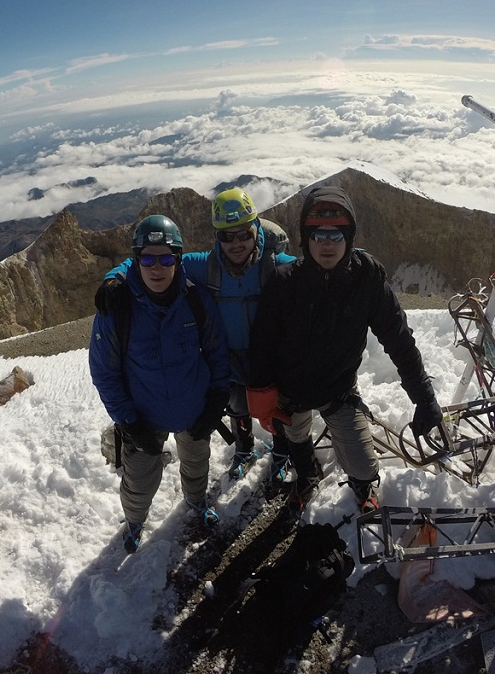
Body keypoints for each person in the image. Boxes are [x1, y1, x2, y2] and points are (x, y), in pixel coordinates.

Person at [246, 185, 444, 513]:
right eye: (318, 234)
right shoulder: (284, 284)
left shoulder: (366, 280)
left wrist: (424, 398)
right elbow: (263, 344)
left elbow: (398, 339)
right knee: (296, 435)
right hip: (290, 391)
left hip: (338, 389)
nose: (327, 244)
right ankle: (308, 474)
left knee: (364, 464)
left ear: (349, 237)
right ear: (305, 238)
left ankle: (362, 485)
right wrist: (263, 395)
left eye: (336, 235)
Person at [96, 188, 296, 484]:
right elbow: (156, 259)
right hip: (230, 362)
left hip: (267, 359)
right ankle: (244, 450)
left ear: (256, 228)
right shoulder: (206, 265)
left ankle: (281, 453)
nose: (236, 243)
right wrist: (115, 277)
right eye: (227, 236)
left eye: (243, 233)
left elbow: (310, 273)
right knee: (238, 408)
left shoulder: (275, 264)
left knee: (272, 407)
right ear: (218, 237)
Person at [89, 215, 232, 553]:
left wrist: (216, 398)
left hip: (193, 407)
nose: (157, 267)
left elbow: (216, 350)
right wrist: (128, 420)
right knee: (138, 480)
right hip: (143, 416)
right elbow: (104, 371)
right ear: (135, 260)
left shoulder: (195, 299)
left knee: (197, 463)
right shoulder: (117, 307)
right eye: (147, 258)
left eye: (166, 258)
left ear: (178, 260)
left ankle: (196, 502)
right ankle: (134, 519)